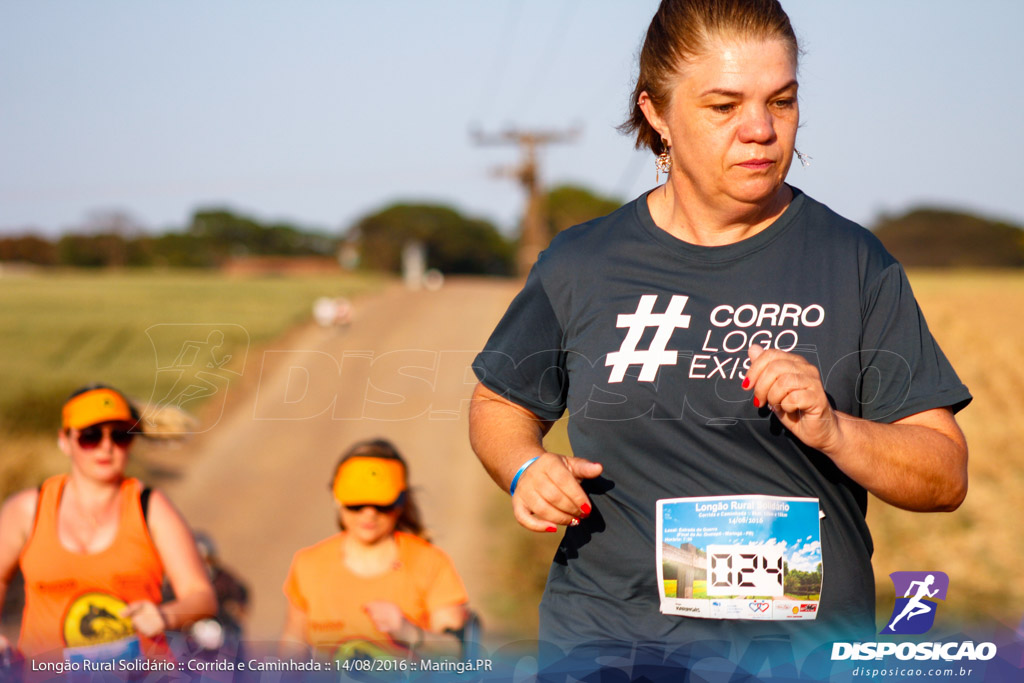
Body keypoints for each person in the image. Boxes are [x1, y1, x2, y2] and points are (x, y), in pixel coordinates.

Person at [469, 0, 971, 674]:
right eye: (724, 106)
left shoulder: (854, 262)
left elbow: (944, 474)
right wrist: (524, 466)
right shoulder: (582, 262)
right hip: (611, 643)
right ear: (655, 111)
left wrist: (835, 430)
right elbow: (499, 404)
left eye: (782, 101)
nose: (760, 130)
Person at [0, 384, 217, 665]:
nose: (106, 446)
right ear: (64, 440)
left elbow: (201, 597)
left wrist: (166, 616)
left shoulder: (150, 507)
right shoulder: (28, 508)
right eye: (90, 436)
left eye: (119, 435)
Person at [280, 439, 469, 660]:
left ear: (401, 502)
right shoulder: (308, 564)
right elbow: (293, 647)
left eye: (382, 504)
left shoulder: (430, 562)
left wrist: (410, 633)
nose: (369, 513)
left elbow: (457, 653)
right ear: (337, 499)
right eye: (356, 504)